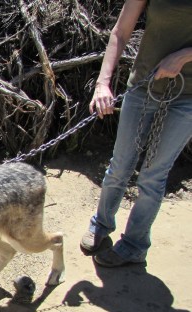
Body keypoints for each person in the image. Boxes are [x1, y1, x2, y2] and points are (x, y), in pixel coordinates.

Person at [80, 0, 192, 267]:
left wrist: (184, 55)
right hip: (143, 86)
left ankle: (134, 245)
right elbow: (120, 32)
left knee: (153, 175)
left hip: (187, 98)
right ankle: (100, 224)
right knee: (120, 165)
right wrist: (102, 83)